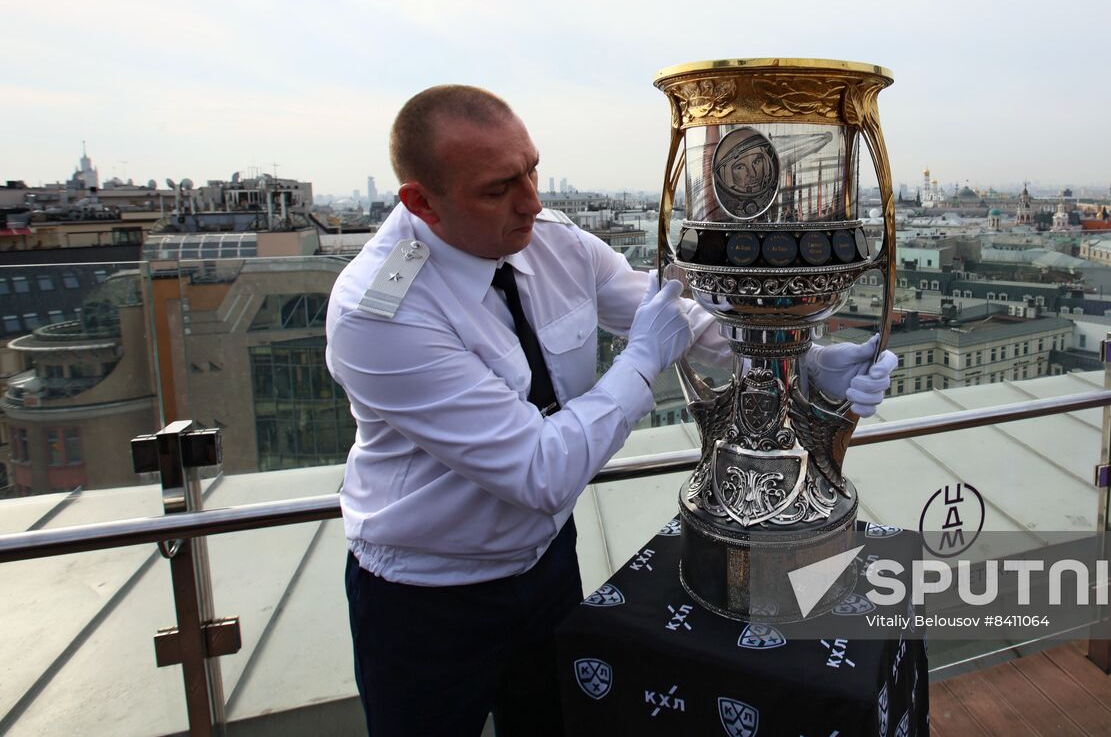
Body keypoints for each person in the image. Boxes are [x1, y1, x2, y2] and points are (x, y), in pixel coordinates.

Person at [327, 84, 896, 736]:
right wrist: (639, 363)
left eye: (532, 170)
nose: (533, 201)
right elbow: (538, 469)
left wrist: (804, 358)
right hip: (425, 599)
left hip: (543, 563)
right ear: (420, 203)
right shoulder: (380, 313)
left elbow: (679, 319)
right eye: (497, 189)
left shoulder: (552, 242)